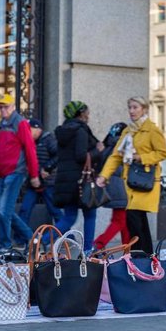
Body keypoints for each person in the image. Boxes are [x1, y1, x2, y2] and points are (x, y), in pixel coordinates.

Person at [97, 96, 166, 254]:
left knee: (134, 218)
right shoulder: (128, 131)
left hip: (144, 180)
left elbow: (163, 153)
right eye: (130, 107)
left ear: (144, 109)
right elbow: (116, 156)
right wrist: (104, 176)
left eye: (135, 107)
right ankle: (147, 257)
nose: (131, 111)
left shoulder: (152, 130)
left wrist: (141, 158)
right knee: (138, 220)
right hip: (130, 182)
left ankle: (139, 256)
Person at [0, 93, 40, 257]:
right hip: (2, 174)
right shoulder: (1, 125)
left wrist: (34, 175)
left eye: (6, 106)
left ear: (13, 107)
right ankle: (33, 239)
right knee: (7, 211)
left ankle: (5, 246)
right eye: (0, 107)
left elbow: (30, 149)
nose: (3, 110)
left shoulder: (21, 123)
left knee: (4, 211)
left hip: (15, 173)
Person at [52, 101, 104, 251]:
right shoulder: (80, 130)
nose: (89, 116)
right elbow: (81, 156)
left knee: (69, 217)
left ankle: (39, 240)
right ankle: (88, 249)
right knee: (90, 215)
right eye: (87, 112)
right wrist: (98, 150)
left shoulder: (62, 131)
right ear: (81, 114)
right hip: (81, 181)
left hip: (66, 181)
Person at [18, 118, 64, 229]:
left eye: (30, 129)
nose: (27, 132)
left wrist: (47, 168)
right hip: (33, 182)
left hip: (47, 182)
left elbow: (59, 155)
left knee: (55, 211)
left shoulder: (48, 140)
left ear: (38, 129)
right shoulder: (27, 141)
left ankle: (68, 240)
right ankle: (20, 241)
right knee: (25, 209)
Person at [92, 122, 129, 250]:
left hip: (112, 187)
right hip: (121, 187)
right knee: (119, 221)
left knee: (124, 222)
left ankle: (128, 251)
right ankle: (99, 244)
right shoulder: (123, 146)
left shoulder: (107, 145)